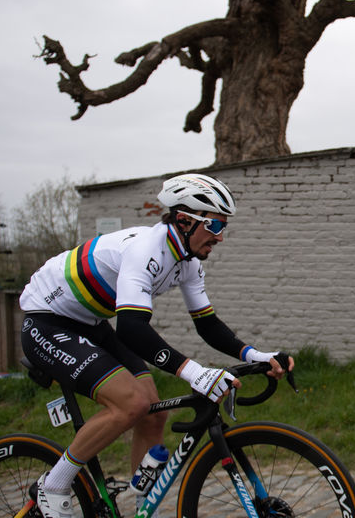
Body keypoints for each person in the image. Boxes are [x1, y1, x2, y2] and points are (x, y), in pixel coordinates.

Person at [19, 173, 294, 518]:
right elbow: (133, 329)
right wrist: (195, 373)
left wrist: (257, 355)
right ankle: (54, 485)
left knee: (153, 413)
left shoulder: (188, 262)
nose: (220, 237)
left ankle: (139, 510)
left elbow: (207, 324)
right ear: (183, 220)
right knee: (132, 404)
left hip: (90, 322)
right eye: (214, 226)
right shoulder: (145, 248)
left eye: (223, 227)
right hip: (47, 320)